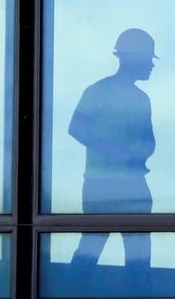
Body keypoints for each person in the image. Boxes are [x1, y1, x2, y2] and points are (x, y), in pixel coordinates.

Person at [67, 28, 157, 270]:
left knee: (134, 253)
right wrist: (115, 152)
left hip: (124, 183)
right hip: (106, 184)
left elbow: (149, 141)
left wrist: (135, 153)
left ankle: (74, 293)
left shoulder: (139, 99)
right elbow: (76, 128)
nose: (151, 65)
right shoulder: (100, 91)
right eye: (148, 59)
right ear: (134, 58)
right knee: (97, 247)